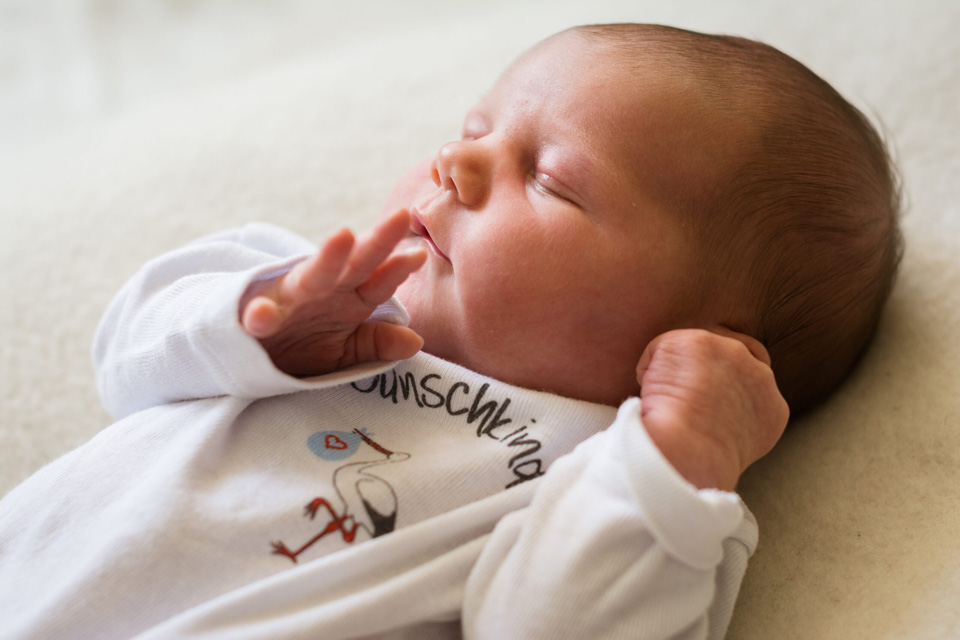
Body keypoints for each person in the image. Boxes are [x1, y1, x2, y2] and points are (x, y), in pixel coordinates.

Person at [0, 23, 900, 640]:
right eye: (473, 130)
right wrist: (258, 321)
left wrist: (677, 462)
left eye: (548, 178)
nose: (455, 162)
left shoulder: (613, 490)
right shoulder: (332, 293)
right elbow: (125, 362)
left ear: (698, 347)